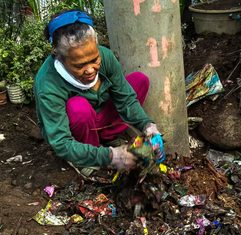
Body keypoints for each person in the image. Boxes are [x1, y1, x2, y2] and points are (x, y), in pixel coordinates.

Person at [34, 9, 164, 175]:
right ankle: (89, 157)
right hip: (77, 130)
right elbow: (61, 142)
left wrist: (148, 126)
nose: (90, 70)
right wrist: (112, 156)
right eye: (79, 65)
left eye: (94, 60)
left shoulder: (106, 57)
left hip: (100, 119)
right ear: (58, 56)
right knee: (78, 107)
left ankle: (107, 138)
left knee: (139, 81)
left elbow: (126, 99)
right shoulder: (47, 83)